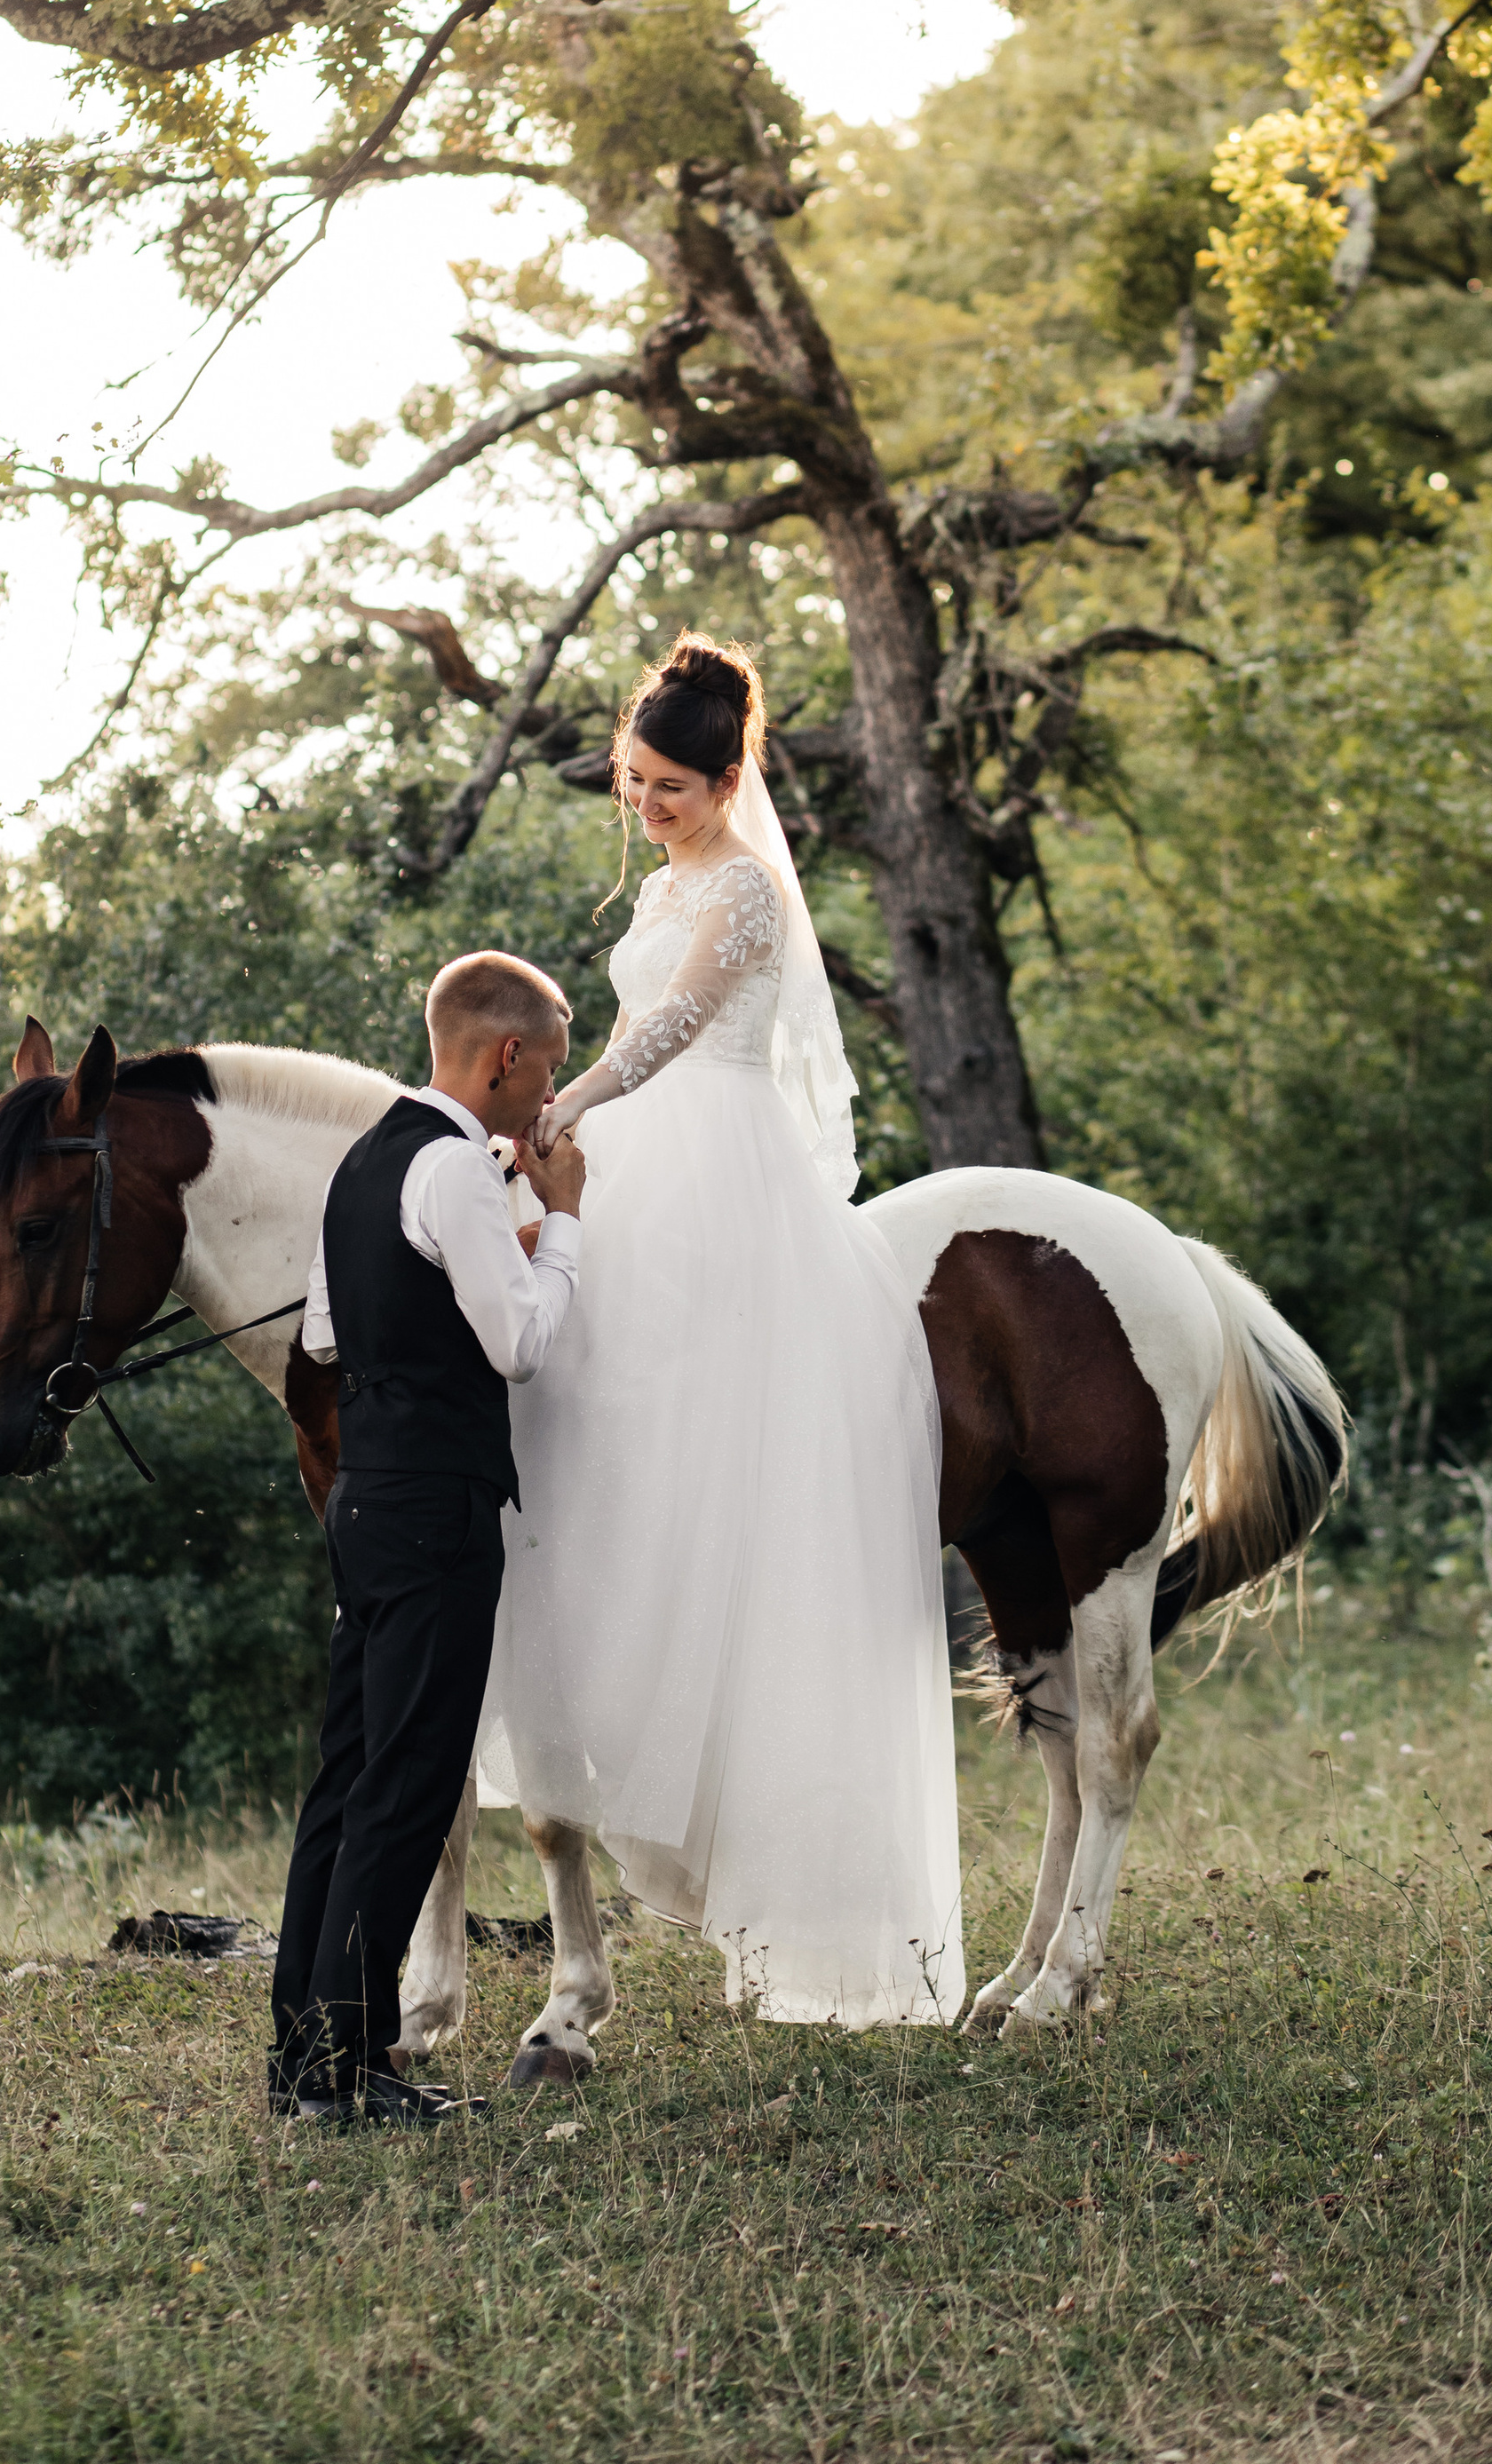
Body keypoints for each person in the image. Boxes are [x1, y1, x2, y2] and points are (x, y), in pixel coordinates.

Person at [476, 636, 964, 2026]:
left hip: (717, 1169)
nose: (647, 806)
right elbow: (623, 1025)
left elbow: (674, 1029)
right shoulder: (666, 877)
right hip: (637, 1153)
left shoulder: (745, 887)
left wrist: (564, 1108)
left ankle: (779, 1842)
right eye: (633, 782)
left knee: (709, 1465)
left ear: (728, 782)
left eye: (671, 788)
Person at [271, 951, 587, 2127]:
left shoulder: (363, 1160)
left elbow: (324, 1336)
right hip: (436, 1508)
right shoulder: (454, 1168)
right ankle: (347, 2075)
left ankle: (301, 2060)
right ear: (506, 1054)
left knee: (348, 1780)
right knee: (406, 1788)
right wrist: (561, 1223)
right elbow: (521, 1346)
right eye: (548, 1068)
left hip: (363, 1497)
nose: (548, 1094)